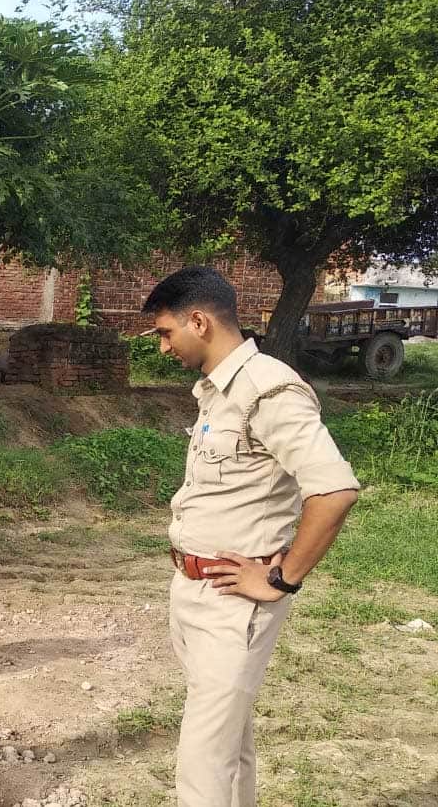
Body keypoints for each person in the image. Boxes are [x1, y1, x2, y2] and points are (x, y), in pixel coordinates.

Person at [141, 267, 360, 807]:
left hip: (235, 602)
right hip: (197, 589)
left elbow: (334, 490)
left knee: (203, 757)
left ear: (199, 321)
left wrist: (282, 578)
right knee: (226, 744)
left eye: (167, 333)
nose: (164, 347)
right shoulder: (218, 392)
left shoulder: (269, 389)